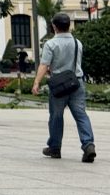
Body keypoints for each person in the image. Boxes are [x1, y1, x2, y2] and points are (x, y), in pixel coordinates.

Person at [32, 12, 96, 162]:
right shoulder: (77, 43)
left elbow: (44, 65)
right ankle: (88, 145)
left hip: (59, 85)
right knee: (81, 115)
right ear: (69, 26)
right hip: (76, 83)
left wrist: (36, 82)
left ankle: (55, 148)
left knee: (56, 116)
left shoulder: (50, 44)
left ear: (54, 26)